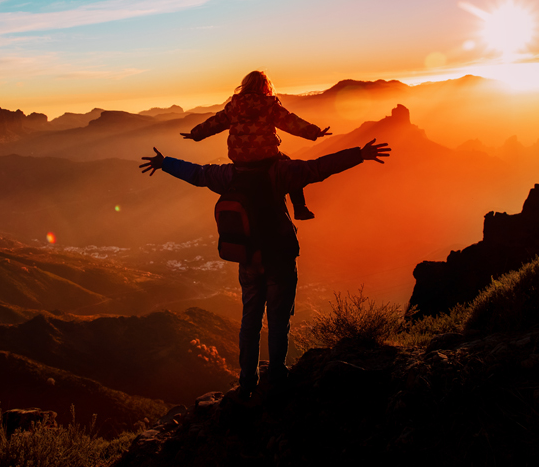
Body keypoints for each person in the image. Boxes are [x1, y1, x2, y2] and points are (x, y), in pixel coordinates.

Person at [140, 138, 391, 400]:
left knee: (250, 320)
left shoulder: (229, 174)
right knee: (278, 320)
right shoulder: (280, 171)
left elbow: (197, 173)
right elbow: (318, 168)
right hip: (278, 257)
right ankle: (277, 375)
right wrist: (359, 154)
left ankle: (247, 381)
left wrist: (164, 162)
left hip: (248, 259)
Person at [180, 70, 331, 220]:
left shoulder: (234, 106)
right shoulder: (269, 105)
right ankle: (300, 208)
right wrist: (314, 132)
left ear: (245, 85)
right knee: (293, 169)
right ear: (265, 86)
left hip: (240, 160)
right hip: (267, 158)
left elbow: (215, 122)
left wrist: (196, 134)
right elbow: (290, 122)